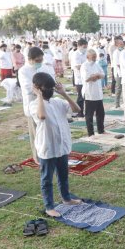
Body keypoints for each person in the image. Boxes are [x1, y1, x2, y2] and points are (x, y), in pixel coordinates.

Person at [29, 72, 82, 218]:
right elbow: (42, 116)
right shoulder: (34, 104)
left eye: (52, 87)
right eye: (47, 88)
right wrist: (39, 96)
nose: (50, 90)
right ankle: (49, 206)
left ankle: (66, 198)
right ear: (38, 88)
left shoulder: (58, 101)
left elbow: (77, 109)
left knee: (63, 175)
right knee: (47, 178)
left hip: (62, 145)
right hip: (47, 147)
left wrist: (64, 94)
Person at [19, 47, 55, 163]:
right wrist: (42, 88)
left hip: (47, 102)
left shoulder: (44, 67)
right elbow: (28, 87)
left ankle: (50, 152)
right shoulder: (24, 71)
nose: (40, 62)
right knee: (36, 132)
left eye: (41, 60)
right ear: (30, 59)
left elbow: (51, 81)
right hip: (33, 104)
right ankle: (38, 157)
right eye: (37, 60)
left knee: (48, 130)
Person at [80, 49, 105, 136]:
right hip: (89, 93)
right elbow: (87, 78)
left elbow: (103, 74)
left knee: (101, 114)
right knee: (89, 115)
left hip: (98, 93)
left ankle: (101, 130)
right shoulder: (84, 66)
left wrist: (95, 76)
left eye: (95, 56)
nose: (95, 58)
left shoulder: (97, 64)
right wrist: (96, 76)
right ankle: (91, 133)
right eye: (93, 57)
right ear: (88, 57)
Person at [72, 39, 88, 118]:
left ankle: (86, 112)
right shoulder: (76, 54)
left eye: (86, 47)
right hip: (79, 79)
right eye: (83, 47)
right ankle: (79, 112)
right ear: (79, 46)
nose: (85, 48)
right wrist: (87, 67)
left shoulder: (86, 53)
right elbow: (78, 66)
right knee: (80, 96)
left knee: (87, 96)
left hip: (87, 78)